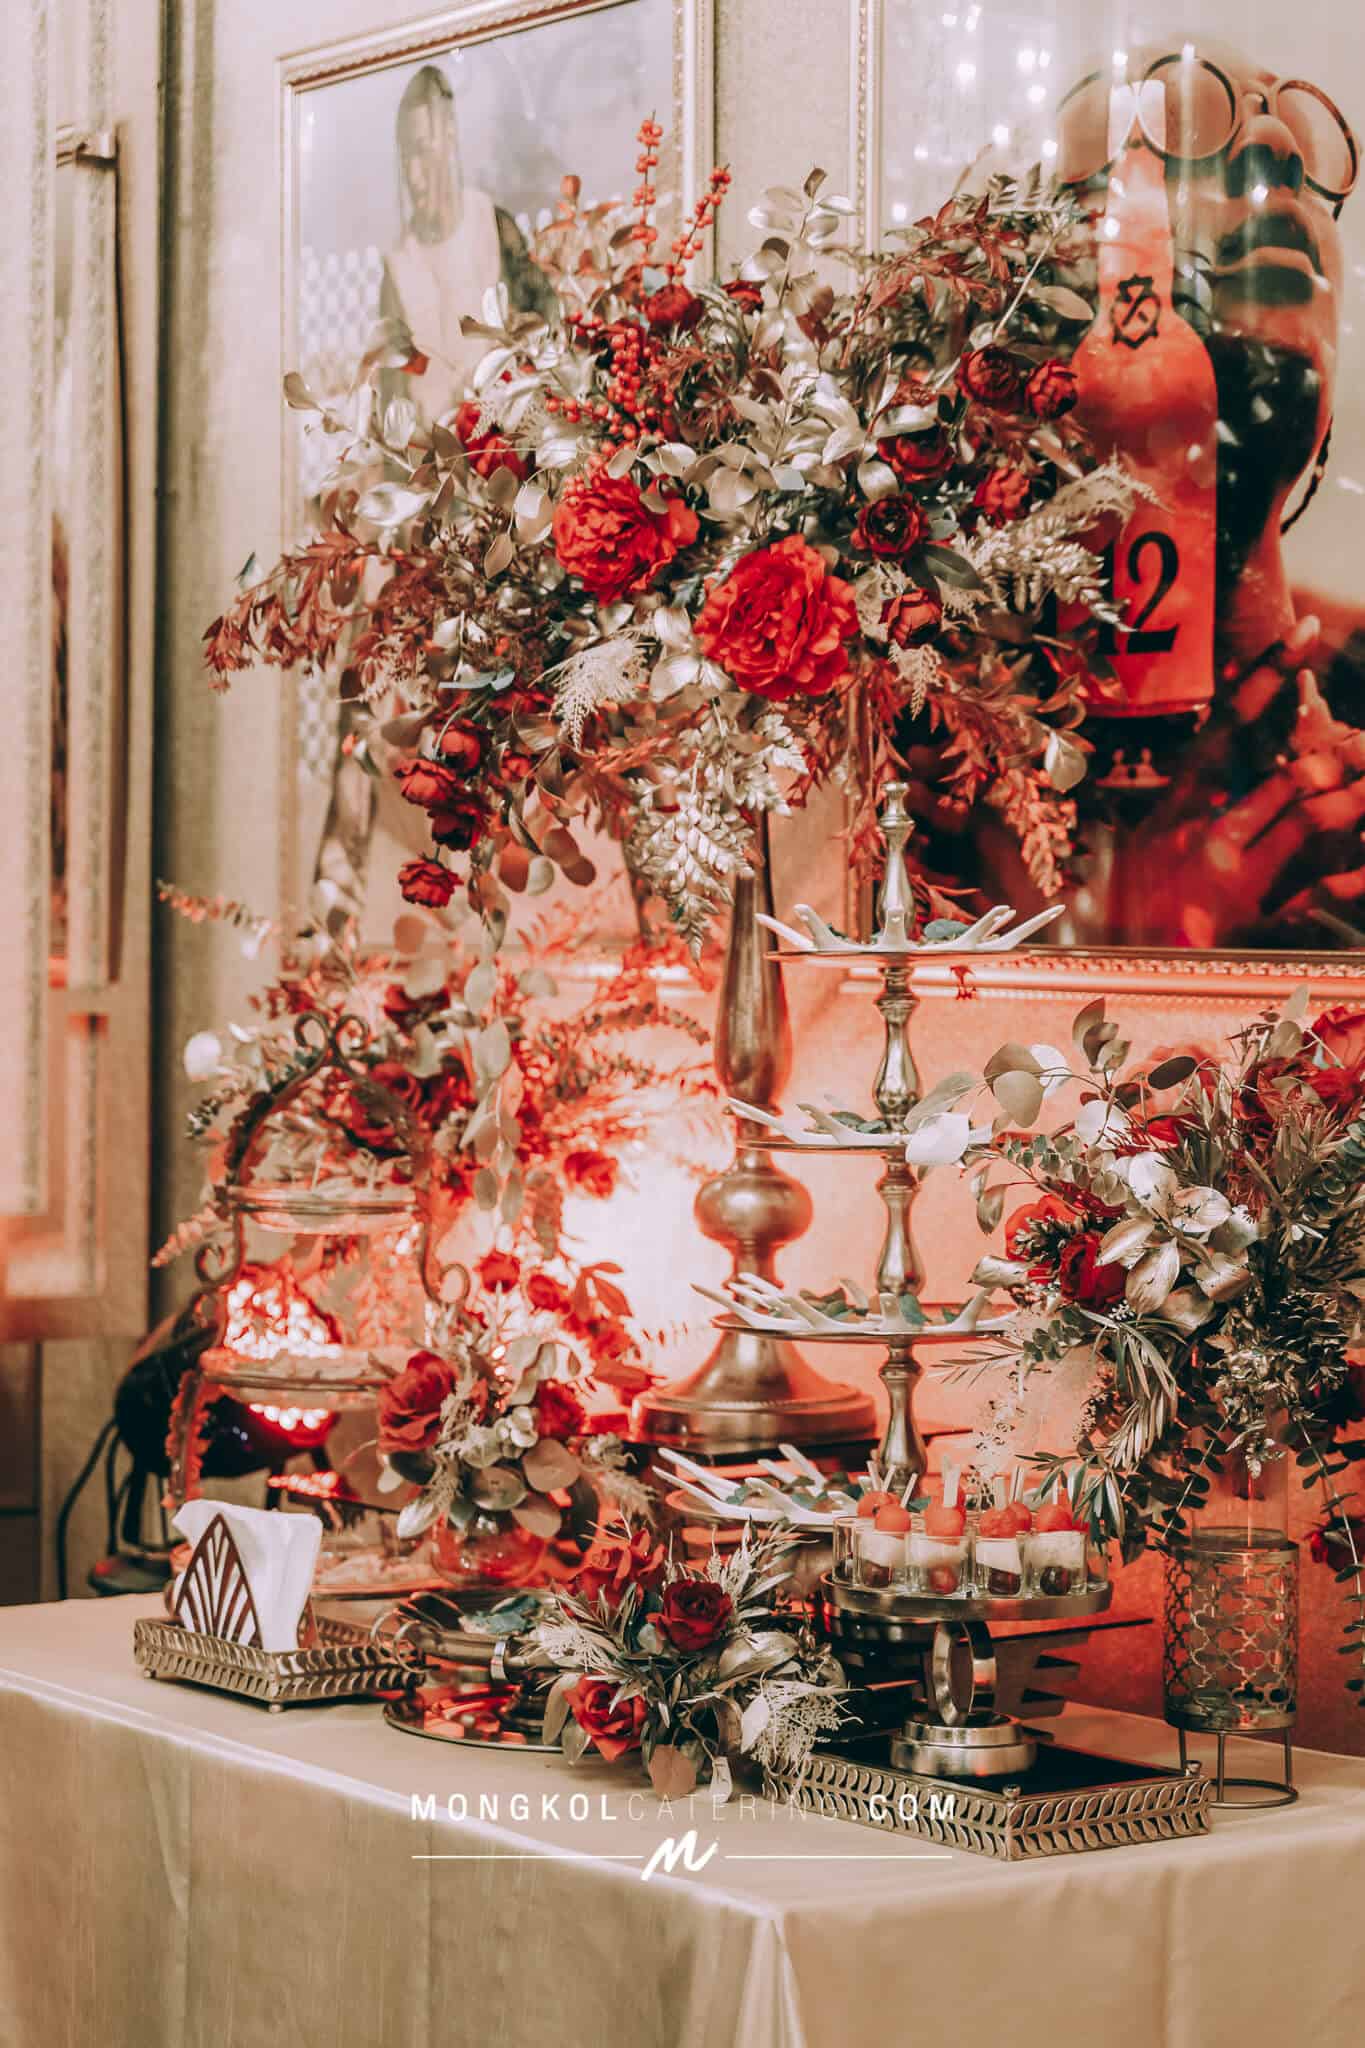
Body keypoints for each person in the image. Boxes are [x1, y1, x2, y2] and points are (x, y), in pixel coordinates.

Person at [926, 43, 1364, 947]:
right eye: (1179, 125)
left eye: (1292, 117)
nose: (1278, 142)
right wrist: (1140, 934)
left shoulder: (1353, 682)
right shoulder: (941, 717)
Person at [378, 63, 553, 422]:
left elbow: (545, 334)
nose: (414, 176)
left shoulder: (492, 225)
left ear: (451, 136)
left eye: (423, 151)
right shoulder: (398, 270)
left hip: (506, 455)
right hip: (433, 469)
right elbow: (393, 403)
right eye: (406, 156)